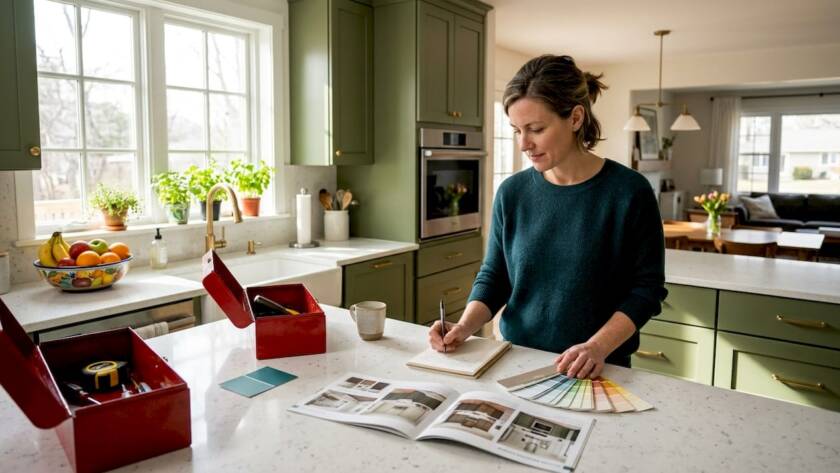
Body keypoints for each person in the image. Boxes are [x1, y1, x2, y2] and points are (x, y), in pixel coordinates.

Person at [428, 54, 667, 379]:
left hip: (598, 368)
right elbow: (495, 276)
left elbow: (646, 290)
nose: (523, 144)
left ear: (576, 118)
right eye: (516, 130)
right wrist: (464, 326)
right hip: (516, 361)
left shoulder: (629, 193)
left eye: (536, 129)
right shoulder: (512, 193)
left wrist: (596, 347)